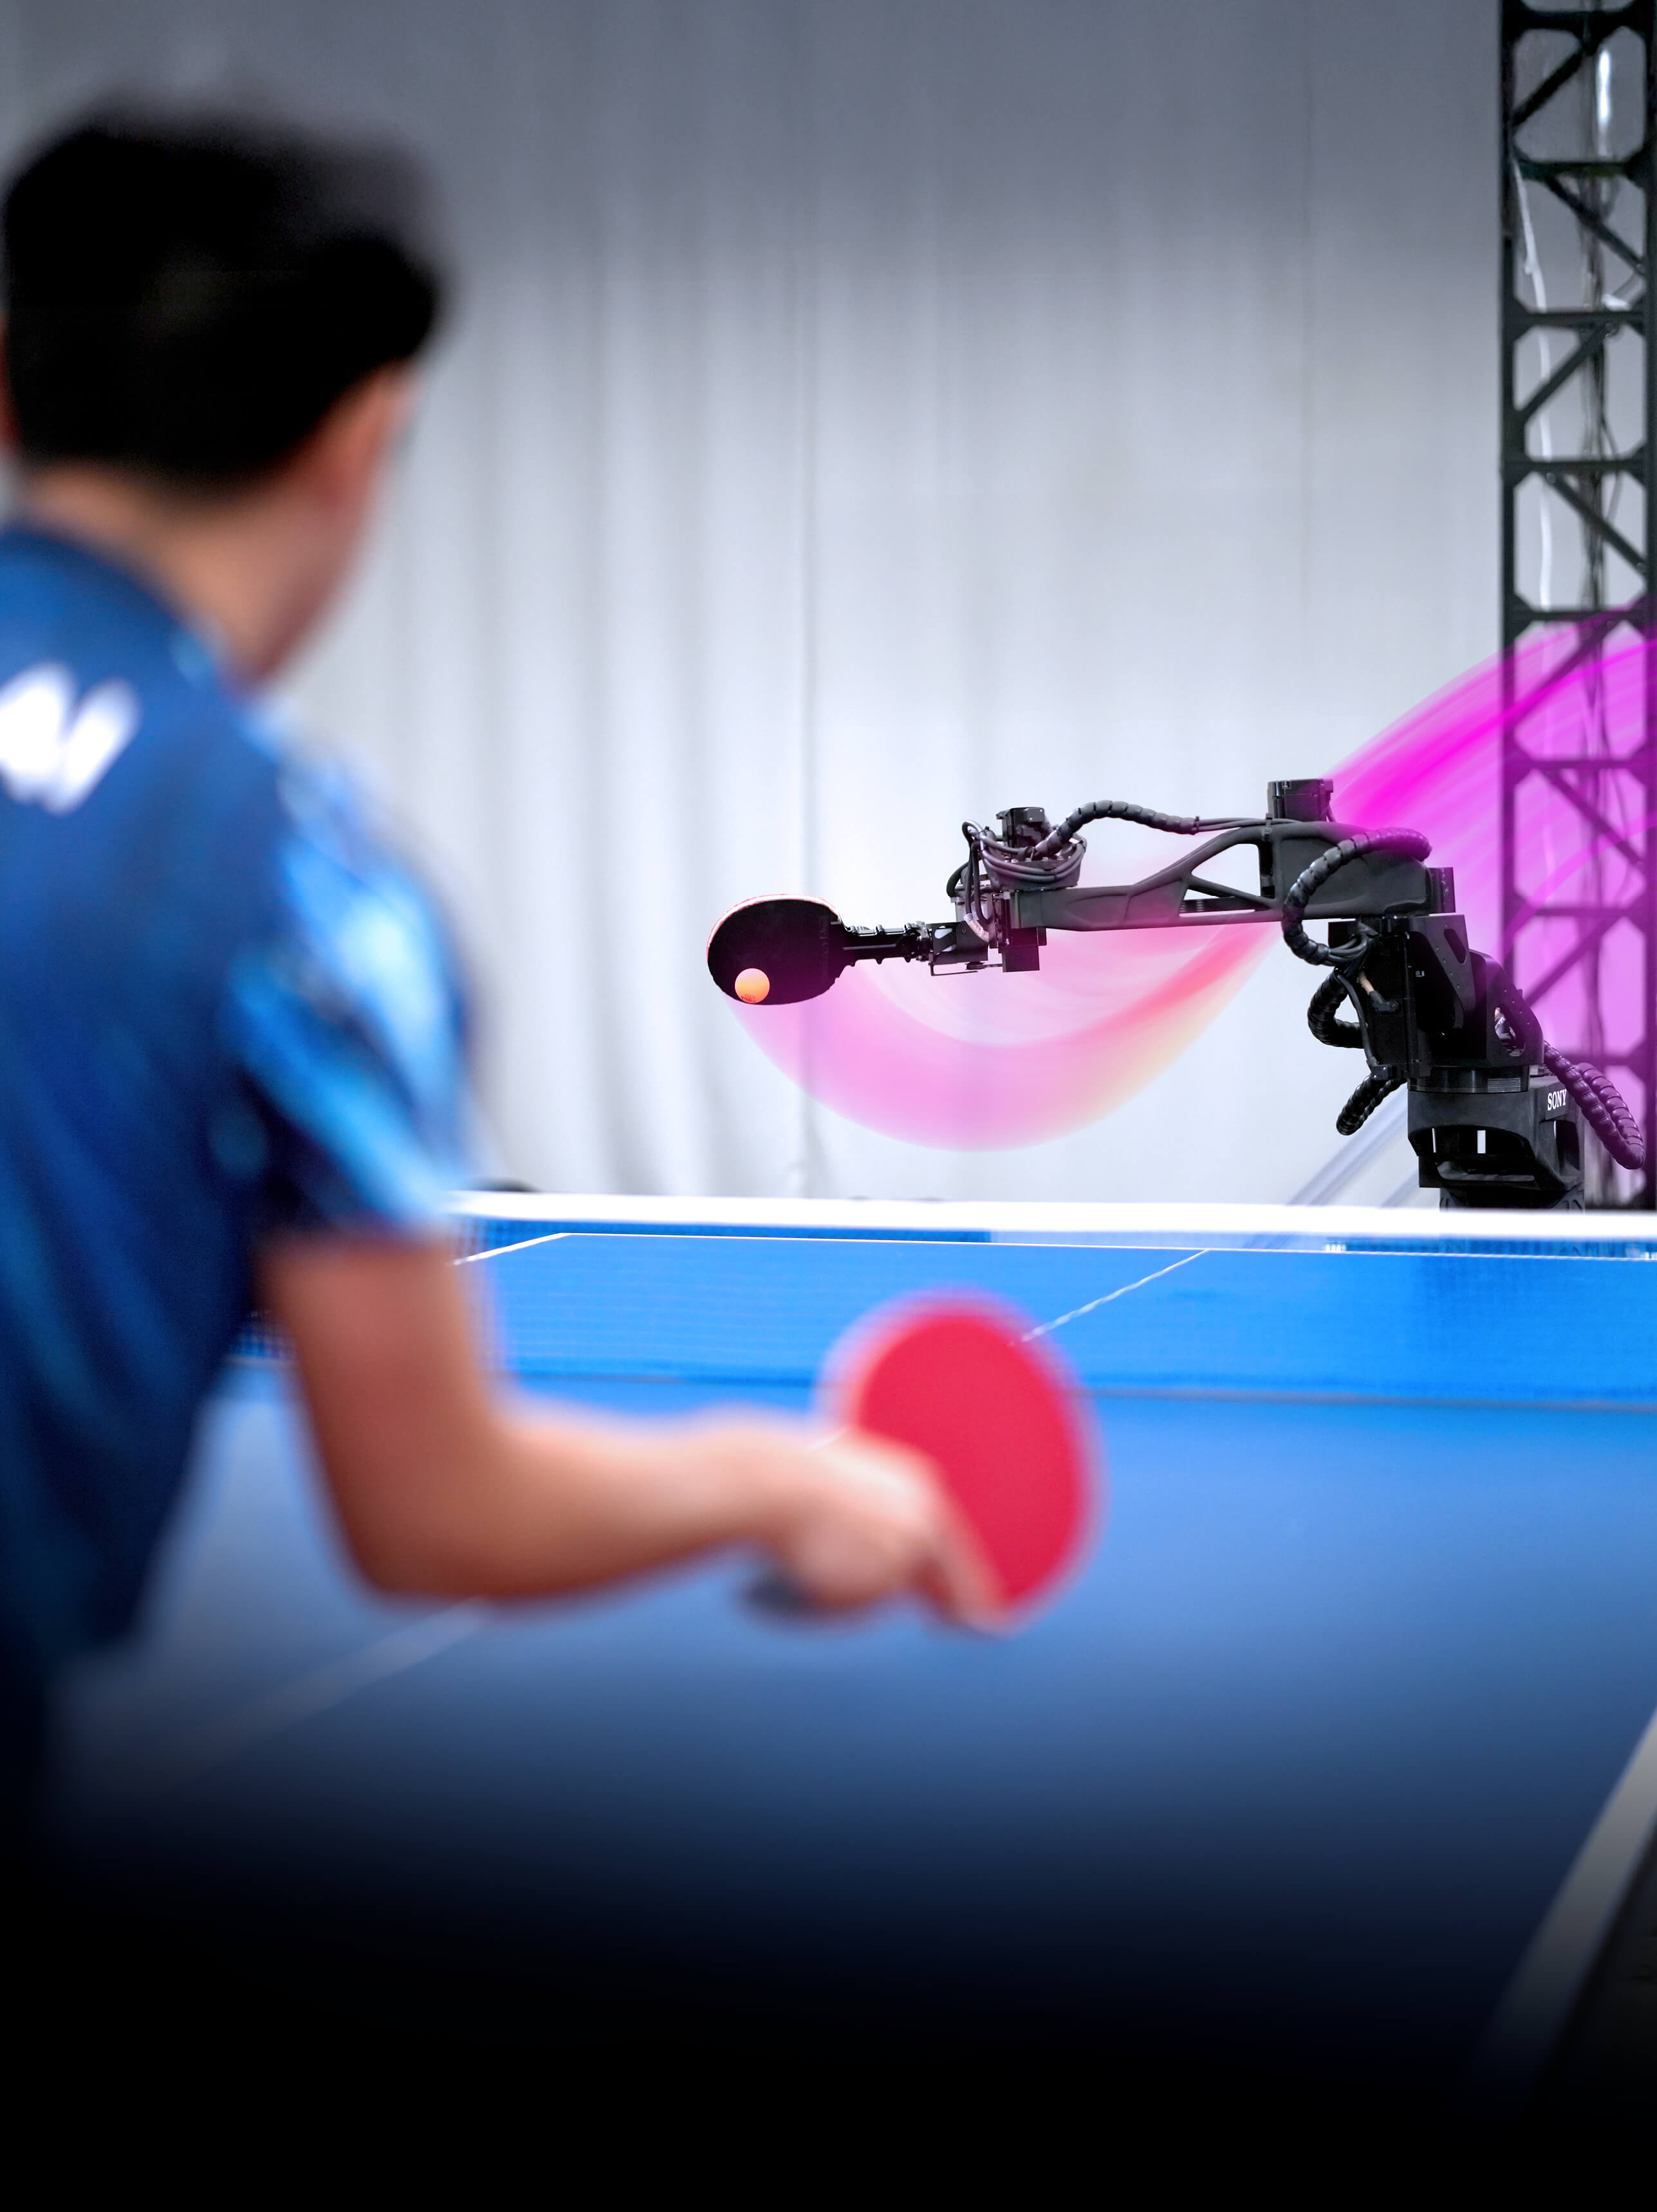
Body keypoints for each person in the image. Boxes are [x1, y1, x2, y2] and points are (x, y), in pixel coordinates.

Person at [0, 107, 994, 1832]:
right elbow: (435, 1508)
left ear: (8, 397)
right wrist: (778, 1479)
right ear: (361, 435)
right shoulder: (287, 881)